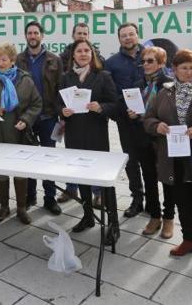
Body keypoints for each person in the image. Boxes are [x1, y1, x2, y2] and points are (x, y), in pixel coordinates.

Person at [144, 49, 192, 269]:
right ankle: (189, 240)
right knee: (183, 205)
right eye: (184, 67)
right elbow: (148, 118)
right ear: (174, 70)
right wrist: (156, 126)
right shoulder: (165, 93)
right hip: (173, 159)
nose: (189, 71)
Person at [59, 39, 120, 245]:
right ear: (73, 55)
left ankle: (113, 223)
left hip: (96, 135)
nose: (83, 54)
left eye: (87, 50)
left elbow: (115, 104)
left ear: (92, 54)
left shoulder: (103, 77)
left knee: (104, 180)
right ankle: (87, 216)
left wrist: (101, 108)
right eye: (79, 51)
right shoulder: (66, 78)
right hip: (74, 135)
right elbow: (58, 104)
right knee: (81, 176)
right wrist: (63, 112)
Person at [0, 42, 42, 225]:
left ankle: (21, 208)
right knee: (0, 173)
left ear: (13, 60)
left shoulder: (25, 79)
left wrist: (26, 119)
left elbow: (36, 103)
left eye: (4, 59)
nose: (0, 63)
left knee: (20, 172)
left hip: (17, 133)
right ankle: (4, 207)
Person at [15, 21, 63, 215]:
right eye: (29, 33)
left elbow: (60, 88)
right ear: (26, 36)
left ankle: (49, 198)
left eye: (36, 33)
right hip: (26, 118)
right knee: (28, 159)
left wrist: (62, 115)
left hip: (48, 117)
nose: (32, 36)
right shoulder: (18, 59)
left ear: (42, 36)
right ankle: (30, 195)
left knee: (48, 159)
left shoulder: (54, 60)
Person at [104, 22, 151, 218]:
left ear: (137, 35)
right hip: (126, 121)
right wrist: (119, 114)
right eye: (124, 35)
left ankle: (153, 201)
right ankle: (137, 199)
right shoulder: (112, 62)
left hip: (149, 121)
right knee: (131, 162)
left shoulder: (150, 56)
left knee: (150, 162)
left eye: (131, 34)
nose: (128, 38)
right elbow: (109, 92)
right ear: (119, 39)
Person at [129, 47, 175, 238]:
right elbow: (137, 108)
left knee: (167, 179)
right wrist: (132, 113)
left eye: (151, 61)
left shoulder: (170, 84)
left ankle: (169, 219)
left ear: (161, 63)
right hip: (143, 137)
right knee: (148, 178)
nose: (146, 65)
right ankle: (154, 216)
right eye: (144, 61)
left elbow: (173, 113)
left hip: (163, 139)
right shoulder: (139, 83)